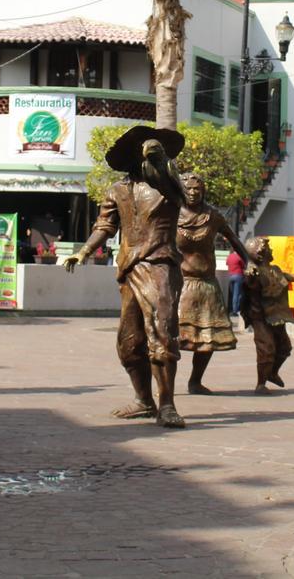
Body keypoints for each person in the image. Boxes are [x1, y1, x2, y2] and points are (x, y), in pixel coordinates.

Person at [64, 125, 187, 429]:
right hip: (129, 268)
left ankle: (167, 404)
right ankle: (144, 400)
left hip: (160, 264)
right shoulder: (117, 190)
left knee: (162, 332)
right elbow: (104, 226)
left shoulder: (167, 187)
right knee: (129, 342)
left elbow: (175, 188)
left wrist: (158, 159)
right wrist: (84, 251)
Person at [175, 172, 249, 395]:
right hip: (179, 284)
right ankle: (163, 383)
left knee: (207, 340)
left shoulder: (213, 216)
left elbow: (234, 239)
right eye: (188, 189)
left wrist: (249, 262)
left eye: (198, 189)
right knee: (169, 338)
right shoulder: (171, 215)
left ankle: (195, 381)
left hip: (207, 284)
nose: (193, 193)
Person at [242, 237, 294, 395]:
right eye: (269, 249)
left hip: (277, 315)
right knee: (267, 349)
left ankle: (272, 373)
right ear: (262, 253)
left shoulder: (274, 269)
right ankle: (260, 384)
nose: (272, 250)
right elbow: (249, 281)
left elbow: (284, 276)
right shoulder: (254, 272)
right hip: (260, 317)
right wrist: (250, 271)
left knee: (284, 347)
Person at [226, 248, 245, 318]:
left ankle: (233, 308)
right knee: (237, 294)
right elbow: (243, 266)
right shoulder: (239, 257)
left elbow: (227, 263)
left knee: (233, 293)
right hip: (238, 276)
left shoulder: (229, 256)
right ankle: (235, 311)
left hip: (230, 276)